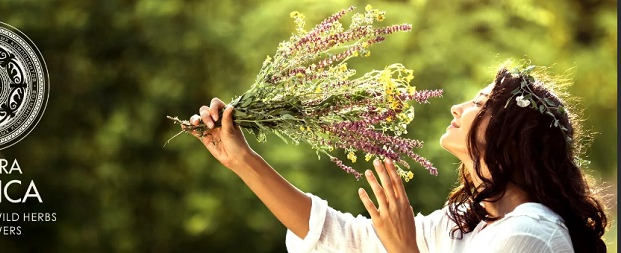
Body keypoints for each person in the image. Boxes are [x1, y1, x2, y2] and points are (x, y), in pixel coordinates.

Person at [184, 64, 609, 253]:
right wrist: (243, 161)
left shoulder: (529, 236)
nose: (457, 108)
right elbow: (342, 240)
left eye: (479, 102)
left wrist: (404, 248)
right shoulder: (465, 224)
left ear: (513, 137)